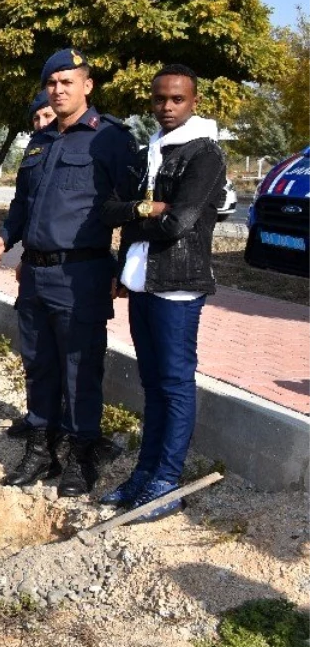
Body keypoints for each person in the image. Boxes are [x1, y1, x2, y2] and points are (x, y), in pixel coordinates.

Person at [0, 48, 137, 497]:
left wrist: (124, 267)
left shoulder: (111, 139)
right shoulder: (41, 140)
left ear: (87, 85)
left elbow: (129, 210)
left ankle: (81, 454)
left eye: (68, 82)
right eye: (52, 83)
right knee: (38, 363)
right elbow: (23, 205)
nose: (59, 89)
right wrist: (2, 239)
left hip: (82, 274)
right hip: (34, 273)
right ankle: (40, 447)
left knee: (79, 367)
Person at [100, 64, 226, 520]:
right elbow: (110, 211)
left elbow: (178, 223)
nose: (167, 107)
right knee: (153, 385)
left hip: (177, 286)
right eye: (159, 100)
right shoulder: (152, 148)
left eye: (177, 100)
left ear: (193, 102)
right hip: (143, 284)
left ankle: (167, 482)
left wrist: (140, 215)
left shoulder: (204, 154)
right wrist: (143, 211)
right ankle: (145, 472)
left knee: (174, 385)